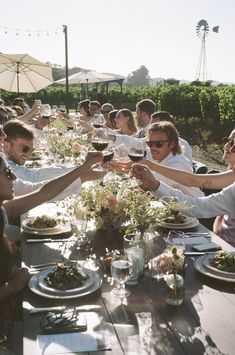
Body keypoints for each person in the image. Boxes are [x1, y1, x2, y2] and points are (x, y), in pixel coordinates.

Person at [131, 154, 235, 246]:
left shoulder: (178, 161)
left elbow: (191, 180)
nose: (230, 149)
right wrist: (154, 184)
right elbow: (199, 206)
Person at [139, 121, 203, 197]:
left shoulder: (178, 164)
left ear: (172, 144)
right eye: (150, 143)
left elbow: (151, 181)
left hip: (195, 207)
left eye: (159, 143)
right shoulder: (163, 158)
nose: (152, 147)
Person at [3, 120, 76, 183]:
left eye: (32, 150)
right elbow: (32, 177)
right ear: (6, 146)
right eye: (25, 149)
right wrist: (80, 170)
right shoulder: (3, 165)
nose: (29, 155)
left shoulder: (9, 160)